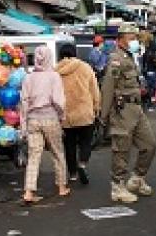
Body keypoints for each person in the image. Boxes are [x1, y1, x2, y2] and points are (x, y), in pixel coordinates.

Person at [100, 22, 156, 203]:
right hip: (121, 110)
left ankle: (137, 179)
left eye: (135, 38)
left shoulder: (131, 56)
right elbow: (108, 88)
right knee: (121, 151)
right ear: (120, 40)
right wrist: (103, 115)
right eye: (131, 38)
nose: (135, 41)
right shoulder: (116, 59)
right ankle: (117, 187)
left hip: (137, 109)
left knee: (150, 145)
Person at [20, 45, 69, 203]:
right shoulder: (54, 76)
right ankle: (61, 187)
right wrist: (62, 116)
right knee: (57, 152)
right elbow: (59, 101)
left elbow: (24, 102)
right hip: (50, 118)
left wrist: (24, 124)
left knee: (34, 156)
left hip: (33, 120)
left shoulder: (28, 77)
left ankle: (29, 191)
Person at [56, 42, 100, 185]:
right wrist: (96, 107)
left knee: (69, 145)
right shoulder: (85, 68)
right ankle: (82, 164)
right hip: (84, 112)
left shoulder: (55, 71)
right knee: (86, 142)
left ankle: (73, 174)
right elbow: (94, 90)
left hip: (66, 114)